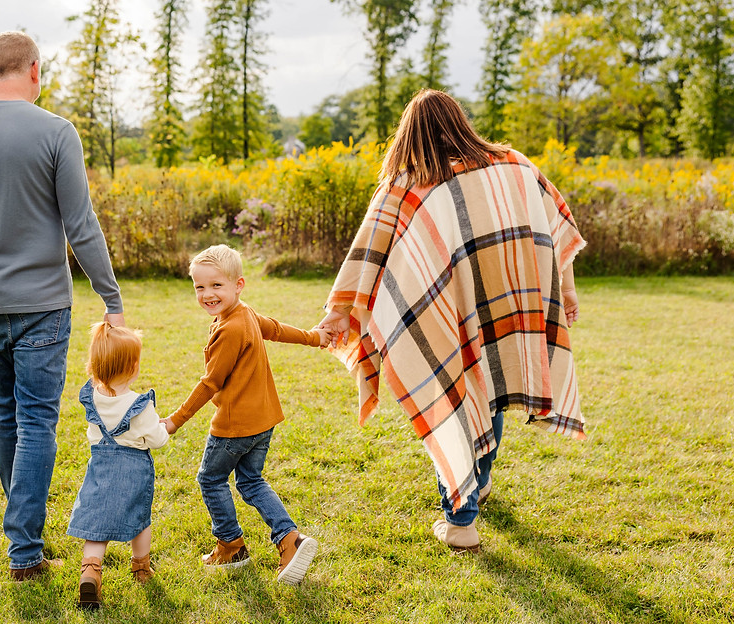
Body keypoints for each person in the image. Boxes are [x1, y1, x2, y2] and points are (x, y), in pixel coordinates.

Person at [319, 89, 587, 553]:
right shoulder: (514, 164)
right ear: (459, 122)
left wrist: (338, 311)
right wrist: (566, 290)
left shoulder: (408, 183)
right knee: (490, 386)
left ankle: (461, 522)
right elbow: (553, 227)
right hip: (508, 305)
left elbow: (367, 252)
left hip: (448, 314)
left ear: (408, 135)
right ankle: (478, 482)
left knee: (453, 396)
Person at [0, 31, 125, 581]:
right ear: (35, 70)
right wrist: (111, 299)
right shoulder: (57, 132)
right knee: (36, 420)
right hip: (43, 305)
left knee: (6, 414)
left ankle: (25, 543)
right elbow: (82, 227)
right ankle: (25, 551)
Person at [163, 244, 332, 585]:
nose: (208, 294)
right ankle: (289, 539)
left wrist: (174, 420)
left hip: (235, 425)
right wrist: (315, 338)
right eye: (200, 287)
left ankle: (231, 546)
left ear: (238, 285)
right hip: (264, 420)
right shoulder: (244, 315)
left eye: (217, 286)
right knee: (251, 481)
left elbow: (210, 383)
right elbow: (277, 329)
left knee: (210, 480)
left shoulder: (230, 329)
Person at [68, 322, 169, 609]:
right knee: (139, 518)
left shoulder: (92, 398)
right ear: (134, 366)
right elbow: (158, 440)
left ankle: (90, 570)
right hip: (133, 470)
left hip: (100, 467)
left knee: (97, 526)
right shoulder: (140, 404)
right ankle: (141, 568)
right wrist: (161, 427)